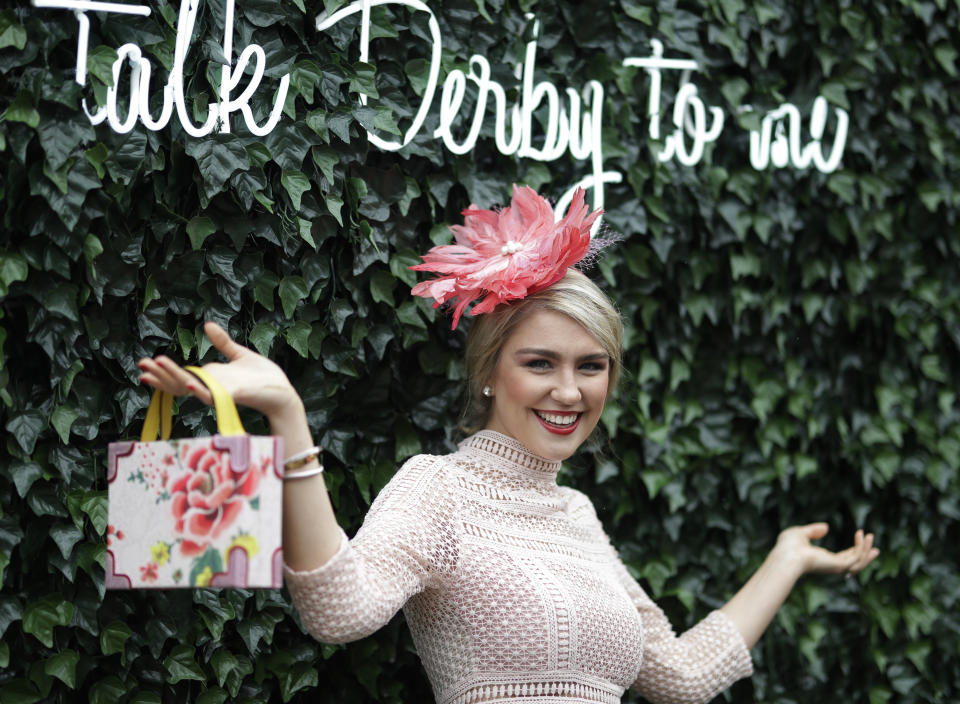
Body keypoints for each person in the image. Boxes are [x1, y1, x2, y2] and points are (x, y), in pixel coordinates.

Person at [138, 186, 879, 704]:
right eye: (540, 364)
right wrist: (290, 420)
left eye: (592, 367)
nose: (570, 391)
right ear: (490, 373)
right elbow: (339, 611)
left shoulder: (578, 517)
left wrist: (787, 556)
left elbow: (680, 675)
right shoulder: (438, 487)